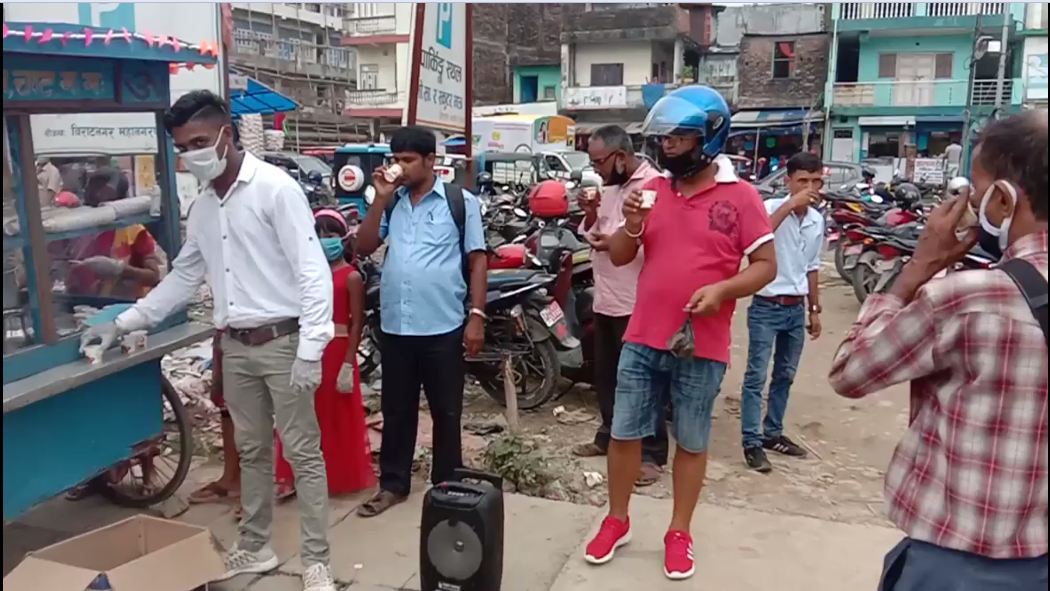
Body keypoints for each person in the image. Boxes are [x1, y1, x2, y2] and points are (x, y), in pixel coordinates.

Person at [79, 90, 337, 591]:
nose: (192, 154)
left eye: (199, 142)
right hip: (235, 346)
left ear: (227, 134)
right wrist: (125, 322)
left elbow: (312, 271)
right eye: (182, 146)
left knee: (303, 453)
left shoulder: (275, 190)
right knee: (252, 451)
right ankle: (257, 546)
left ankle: (316, 560)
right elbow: (183, 278)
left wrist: (312, 347)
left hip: (283, 342)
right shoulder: (203, 208)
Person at [829, 111, 1047, 590]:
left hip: (957, 563)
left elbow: (850, 372)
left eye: (976, 194)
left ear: (1003, 200)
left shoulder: (968, 298)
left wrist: (917, 269)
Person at [584, 86, 777, 580]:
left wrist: (723, 290)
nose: (667, 147)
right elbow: (622, 257)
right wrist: (631, 223)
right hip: (642, 335)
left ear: (708, 138)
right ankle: (617, 519)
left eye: (678, 139)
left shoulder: (741, 197)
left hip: (701, 344)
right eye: (663, 140)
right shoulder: (654, 192)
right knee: (624, 433)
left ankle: (679, 532)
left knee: (690, 441)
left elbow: (765, 265)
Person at [354, 126, 487, 518]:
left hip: (442, 326)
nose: (401, 166)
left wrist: (476, 317)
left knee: (447, 411)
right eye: (396, 159)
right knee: (397, 410)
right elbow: (363, 246)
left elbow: (478, 259)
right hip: (397, 326)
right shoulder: (391, 203)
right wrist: (379, 199)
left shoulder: (459, 202)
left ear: (431, 161)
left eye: (408, 160)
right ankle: (393, 485)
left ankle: (447, 485)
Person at [572, 124, 669, 487]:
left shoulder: (652, 186)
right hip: (607, 296)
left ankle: (652, 453)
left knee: (643, 381)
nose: (595, 169)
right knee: (607, 375)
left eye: (599, 161)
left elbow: (651, 238)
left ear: (621, 157)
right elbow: (600, 229)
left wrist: (610, 241)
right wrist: (591, 215)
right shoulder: (612, 186)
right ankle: (609, 435)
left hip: (637, 300)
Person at [274, 210, 375, 496]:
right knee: (304, 412)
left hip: (337, 350)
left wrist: (348, 363)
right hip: (308, 348)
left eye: (330, 234)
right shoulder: (305, 275)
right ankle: (297, 475)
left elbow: (357, 322)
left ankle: (336, 474)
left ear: (342, 238)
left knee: (336, 415)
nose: (324, 239)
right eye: (318, 234)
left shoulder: (351, 277)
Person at [740, 153, 825, 473]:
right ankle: (751, 440)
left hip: (795, 307)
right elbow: (756, 238)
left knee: (785, 374)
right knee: (756, 375)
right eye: (803, 180)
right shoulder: (770, 208)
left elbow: (812, 266)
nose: (810, 187)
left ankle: (772, 432)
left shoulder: (816, 221)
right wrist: (790, 205)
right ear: (788, 181)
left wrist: (814, 309)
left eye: (816, 181)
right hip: (766, 305)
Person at [65, 168, 162, 300]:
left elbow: (154, 277)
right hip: (82, 303)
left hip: (123, 305)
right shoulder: (80, 227)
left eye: (103, 191)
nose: (96, 195)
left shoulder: (133, 231)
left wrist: (120, 269)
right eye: (92, 189)